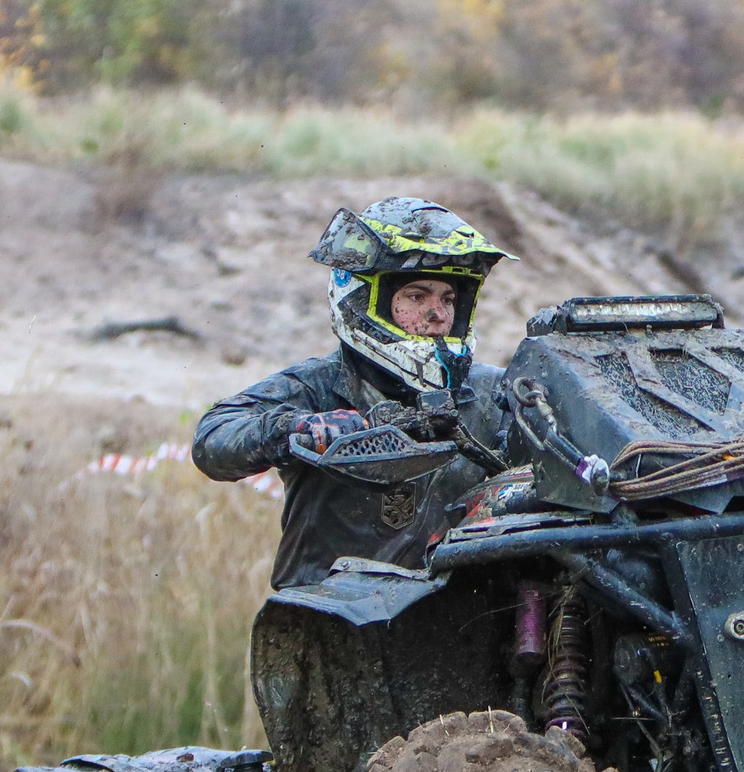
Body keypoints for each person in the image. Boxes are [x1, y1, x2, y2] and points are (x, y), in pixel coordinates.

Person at [192, 197, 512, 589]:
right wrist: (298, 428)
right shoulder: (319, 385)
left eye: (448, 299)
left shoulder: (490, 391)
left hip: (459, 606)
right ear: (365, 300)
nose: (439, 314)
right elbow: (213, 437)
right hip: (330, 608)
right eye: (417, 297)